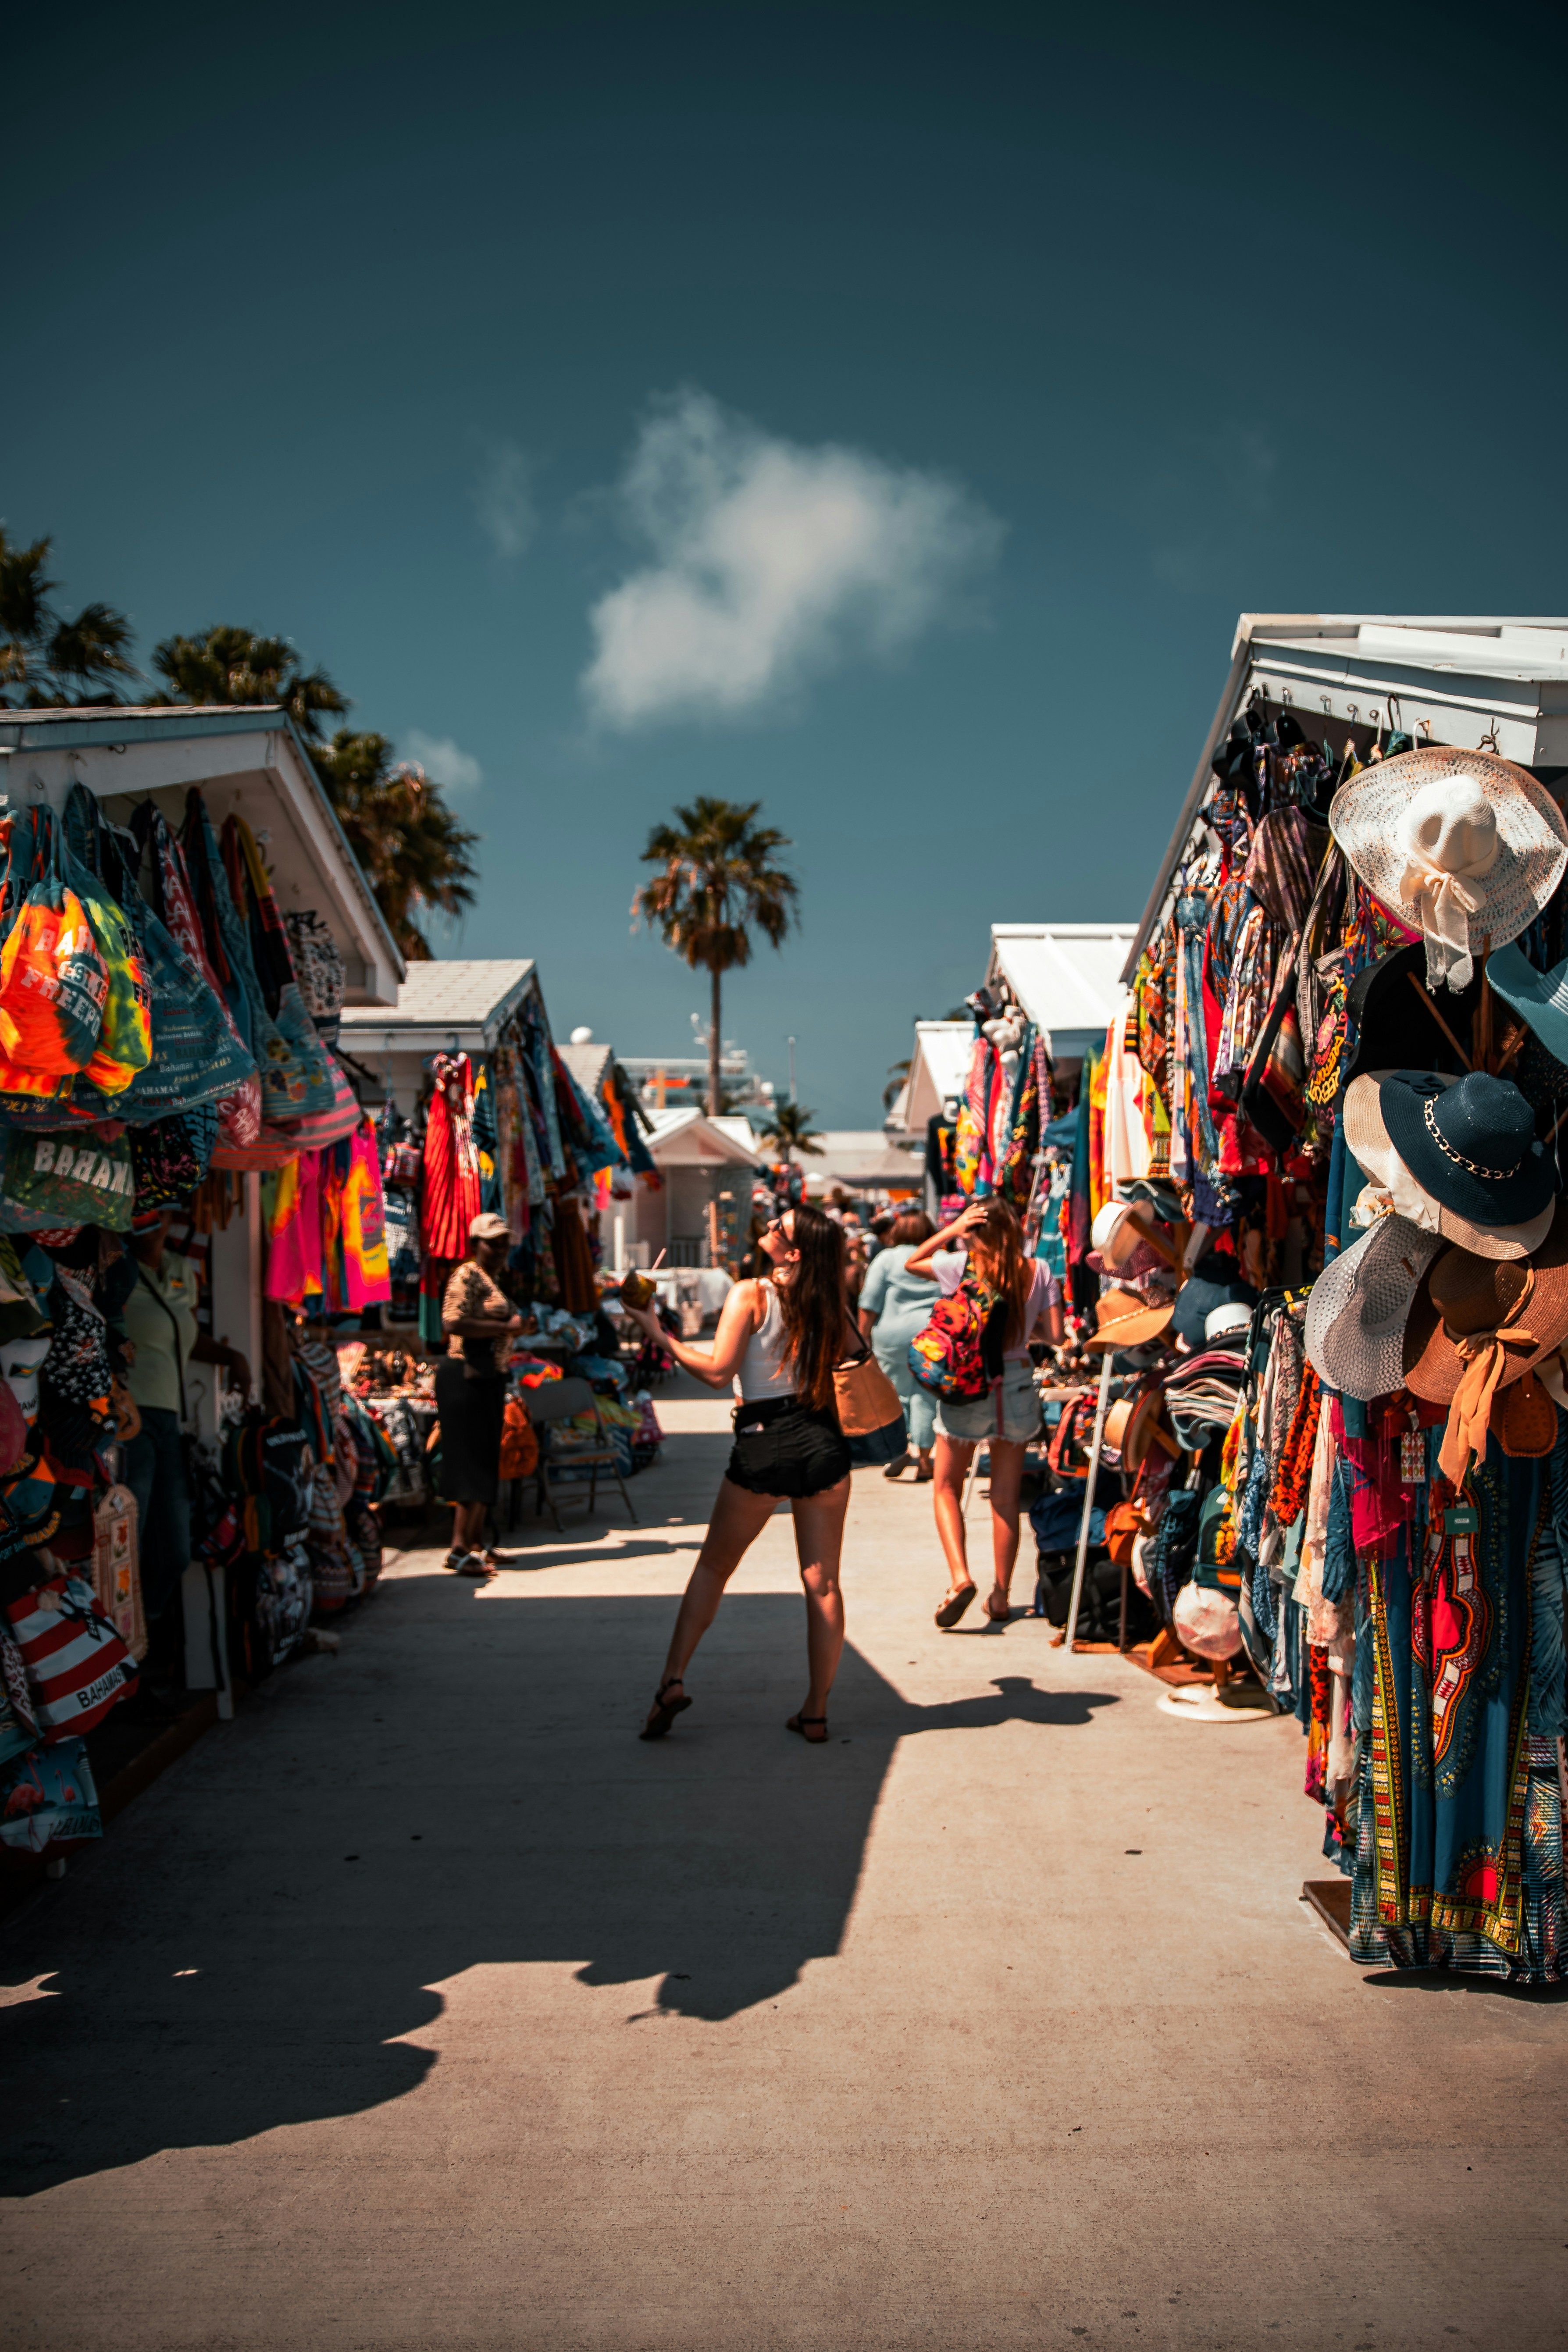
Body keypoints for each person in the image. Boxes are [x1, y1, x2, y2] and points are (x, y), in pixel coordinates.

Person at [621, 1202, 853, 1744]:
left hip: (764, 1441)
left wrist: (658, 1333)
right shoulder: (829, 1303)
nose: (769, 1228)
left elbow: (717, 1372)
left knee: (713, 1569)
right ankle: (816, 1711)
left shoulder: (752, 1293)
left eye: (780, 1229)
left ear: (793, 1253)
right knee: (823, 1585)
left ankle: (671, 1682)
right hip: (822, 1442)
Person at [904, 1199, 1063, 1627]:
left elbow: (912, 1262)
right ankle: (1000, 1595)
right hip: (1016, 1384)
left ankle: (959, 1578)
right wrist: (1024, 1326)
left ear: (978, 1231)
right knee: (1006, 1499)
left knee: (947, 1488)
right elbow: (1057, 1335)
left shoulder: (963, 1266)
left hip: (970, 1382)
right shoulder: (1040, 1271)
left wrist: (952, 1227)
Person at [123, 1208, 251, 1681]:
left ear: (166, 1221)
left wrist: (234, 1357)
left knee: (176, 1548)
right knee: (128, 1545)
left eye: (153, 1217)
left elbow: (187, 1337)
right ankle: (128, 1660)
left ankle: (147, 1629)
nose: (147, 1225)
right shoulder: (116, 1271)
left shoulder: (180, 1271)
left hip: (169, 1419)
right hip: (129, 1420)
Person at [438, 1211, 521, 1579]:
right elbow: (453, 1322)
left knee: (486, 1458)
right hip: (465, 1375)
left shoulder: (494, 1279)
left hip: (489, 1375)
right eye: (493, 1242)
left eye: (505, 1242)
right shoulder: (468, 1275)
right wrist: (505, 1325)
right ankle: (457, 1549)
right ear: (476, 1244)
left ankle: (475, 1544)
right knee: (469, 1460)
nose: (501, 1249)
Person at [857, 1208, 939, 1482]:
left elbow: (869, 1302)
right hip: (933, 1337)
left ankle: (899, 1450)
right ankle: (926, 1461)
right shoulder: (941, 1258)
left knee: (895, 1395)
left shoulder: (886, 1259)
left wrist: (862, 1337)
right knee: (926, 1395)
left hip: (891, 1338)